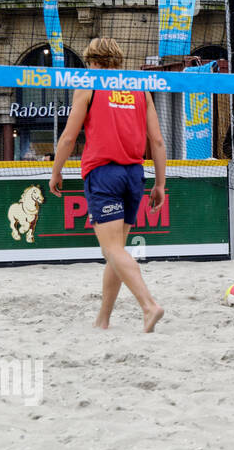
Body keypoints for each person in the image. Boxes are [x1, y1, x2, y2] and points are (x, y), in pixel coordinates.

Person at [49, 36, 166, 333]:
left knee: (112, 250)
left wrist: (56, 171)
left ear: (92, 62)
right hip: (134, 175)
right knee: (116, 250)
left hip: (103, 173)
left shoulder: (89, 83)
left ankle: (149, 305)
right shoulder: (140, 87)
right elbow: (157, 141)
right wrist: (160, 184)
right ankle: (103, 320)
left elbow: (68, 137)